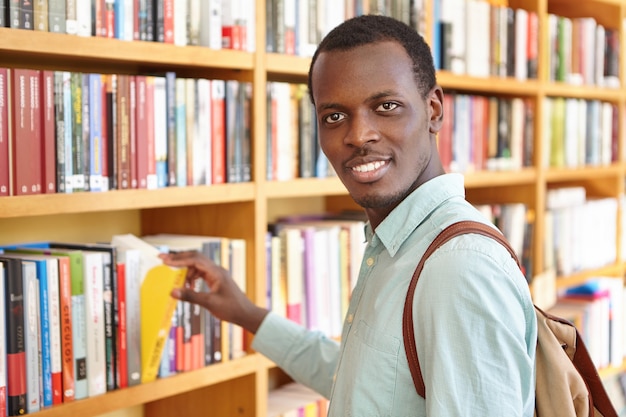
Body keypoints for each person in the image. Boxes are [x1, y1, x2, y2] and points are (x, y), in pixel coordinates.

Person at [160, 14, 537, 416]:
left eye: (386, 106)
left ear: (433, 110)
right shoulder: (397, 243)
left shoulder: (456, 267)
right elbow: (367, 383)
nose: (358, 135)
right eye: (334, 116)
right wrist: (247, 315)